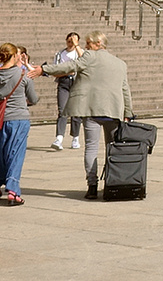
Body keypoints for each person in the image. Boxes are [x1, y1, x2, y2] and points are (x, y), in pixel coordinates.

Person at [33, 30, 132, 201]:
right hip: (114, 111)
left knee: (91, 147)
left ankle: (92, 185)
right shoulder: (120, 63)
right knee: (112, 149)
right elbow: (125, 90)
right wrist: (128, 113)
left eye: (88, 43)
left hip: (91, 109)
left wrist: (44, 70)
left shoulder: (89, 57)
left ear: (98, 44)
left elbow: (68, 66)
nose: (86, 47)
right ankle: (112, 182)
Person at [0, 43, 38, 206]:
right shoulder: (22, 75)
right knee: (15, 153)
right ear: (14, 56)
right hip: (19, 118)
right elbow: (33, 99)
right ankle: (13, 190)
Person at [51, 32, 84, 151]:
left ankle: (75, 137)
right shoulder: (60, 54)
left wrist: (77, 46)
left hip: (76, 83)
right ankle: (59, 137)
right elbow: (55, 70)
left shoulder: (80, 52)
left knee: (76, 112)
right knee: (62, 110)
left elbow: (85, 61)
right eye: (69, 41)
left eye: (73, 41)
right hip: (63, 82)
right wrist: (66, 72)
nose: (71, 44)